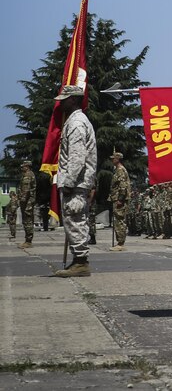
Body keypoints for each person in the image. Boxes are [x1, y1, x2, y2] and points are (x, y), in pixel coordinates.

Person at [53, 85, 97, 277]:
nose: (60, 102)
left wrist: (69, 182)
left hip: (76, 182)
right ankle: (77, 260)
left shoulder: (77, 123)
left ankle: (81, 262)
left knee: (76, 220)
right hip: (76, 181)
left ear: (73, 100)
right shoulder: (74, 121)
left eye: (64, 99)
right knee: (73, 220)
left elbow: (77, 157)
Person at [108, 151, 131, 251]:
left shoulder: (120, 170)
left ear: (118, 159)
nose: (112, 160)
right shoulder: (117, 170)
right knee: (118, 220)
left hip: (119, 199)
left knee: (120, 221)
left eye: (113, 158)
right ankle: (119, 242)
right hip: (116, 198)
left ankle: (120, 243)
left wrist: (120, 199)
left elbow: (123, 186)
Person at [17, 160, 37, 249]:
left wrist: (21, 200)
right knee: (27, 220)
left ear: (27, 166)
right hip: (28, 201)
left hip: (27, 202)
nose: (22, 168)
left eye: (23, 166)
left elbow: (26, 190)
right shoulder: (28, 174)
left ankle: (28, 241)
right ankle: (27, 240)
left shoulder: (28, 175)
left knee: (28, 221)